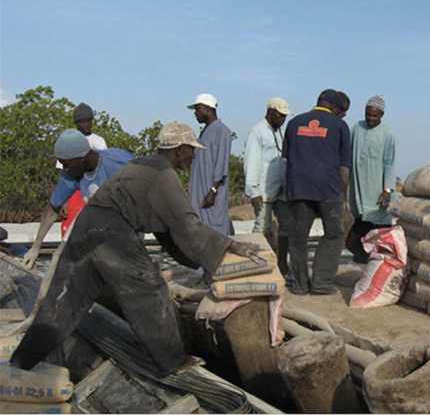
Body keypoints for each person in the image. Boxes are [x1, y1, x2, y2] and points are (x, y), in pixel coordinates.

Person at [10, 122, 258, 377]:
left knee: (61, 301)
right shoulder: (163, 174)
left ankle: (20, 362)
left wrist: (193, 257)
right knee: (148, 287)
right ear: (179, 149)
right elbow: (186, 223)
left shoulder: (143, 163)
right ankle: (172, 362)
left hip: (86, 227)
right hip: (111, 232)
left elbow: (165, 226)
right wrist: (229, 244)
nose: (193, 156)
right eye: (191, 150)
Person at [21, 129, 135, 270]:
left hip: (128, 224)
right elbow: (53, 208)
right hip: (99, 224)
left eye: (67, 165)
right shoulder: (70, 175)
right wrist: (36, 247)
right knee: (67, 259)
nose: (65, 169)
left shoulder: (120, 161)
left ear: (82, 159)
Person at [282, 89, 351, 295]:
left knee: (298, 237)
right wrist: (344, 199)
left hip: (299, 188)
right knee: (334, 233)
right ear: (335, 108)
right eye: (342, 111)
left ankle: (300, 285)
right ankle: (321, 283)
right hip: (328, 188)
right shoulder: (340, 126)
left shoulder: (294, 124)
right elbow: (344, 167)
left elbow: (287, 160)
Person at [243, 97, 293, 276]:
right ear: (270, 112)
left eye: (285, 117)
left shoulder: (279, 132)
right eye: (280, 116)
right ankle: (254, 267)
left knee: (286, 226)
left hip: (280, 190)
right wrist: (253, 191)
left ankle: (281, 264)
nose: (283, 119)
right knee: (261, 228)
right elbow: (252, 162)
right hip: (263, 192)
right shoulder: (257, 132)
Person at [347, 95, 397, 263]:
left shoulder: (387, 133)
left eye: (374, 116)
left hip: (377, 190)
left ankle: (378, 263)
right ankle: (359, 260)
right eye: (368, 114)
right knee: (358, 227)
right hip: (357, 189)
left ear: (381, 115)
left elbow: (389, 163)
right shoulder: (356, 129)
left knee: (378, 230)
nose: (370, 118)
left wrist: (387, 190)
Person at [58, 102, 108, 238]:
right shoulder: (68, 142)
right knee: (71, 234)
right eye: (82, 122)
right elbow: (62, 173)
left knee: (94, 232)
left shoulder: (99, 142)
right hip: (74, 191)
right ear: (76, 123)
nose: (86, 124)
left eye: (88, 121)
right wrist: (62, 201)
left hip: (95, 190)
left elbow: (104, 170)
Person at [188, 93, 233, 235]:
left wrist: (212, 191)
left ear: (208, 109)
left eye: (198, 109)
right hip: (199, 191)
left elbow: (221, 163)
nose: (196, 113)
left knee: (215, 229)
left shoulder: (222, 131)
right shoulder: (205, 131)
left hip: (210, 194)